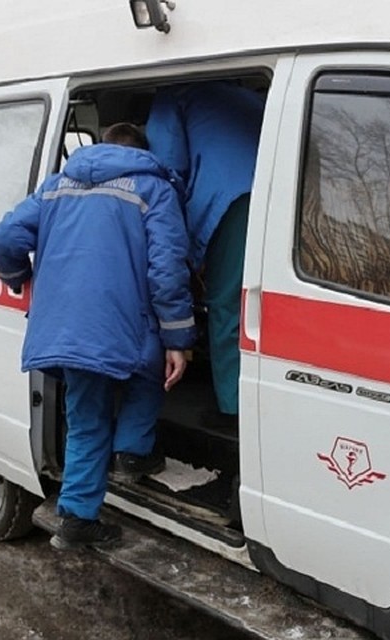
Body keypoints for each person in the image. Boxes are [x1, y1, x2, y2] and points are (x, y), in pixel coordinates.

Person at [0, 123, 195, 550]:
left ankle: (80, 514)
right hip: (124, 323)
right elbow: (168, 268)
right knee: (152, 367)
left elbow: (4, 236)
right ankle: (129, 458)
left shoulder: (55, 186)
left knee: (87, 416)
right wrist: (179, 338)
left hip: (65, 326)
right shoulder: (154, 189)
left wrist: (18, 276)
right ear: (142, 152)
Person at [145, 81, 264, 429]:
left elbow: (166, 167)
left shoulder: (173, 93)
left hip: (230, 196)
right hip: (275, 188)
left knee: (230, 304)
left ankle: (233, 410)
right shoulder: (247, 92)